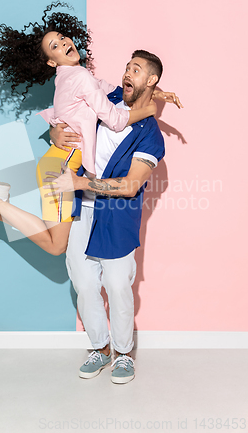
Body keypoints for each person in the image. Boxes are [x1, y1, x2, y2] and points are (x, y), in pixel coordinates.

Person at [0, 4, 181, 255]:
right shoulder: (81, 78)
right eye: (55, 46)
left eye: (62, 38)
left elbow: (109, 90)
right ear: (51, 61)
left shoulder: (70, 77)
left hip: (57, 162)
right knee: (56, 246)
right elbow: (115, 119)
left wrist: (156, 92)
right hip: (62, 165)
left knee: (54, 239)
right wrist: (150, 109)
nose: (63, 43)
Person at [45, 50, 170, 384]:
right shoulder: (107, 98)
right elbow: (67, 114)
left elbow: (130, 186)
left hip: (116, 215)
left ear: (151, 80)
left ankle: (123, 353)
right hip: (80, 211)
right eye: (128, 67)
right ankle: (99, 347)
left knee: (117, 286)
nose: (128, 73)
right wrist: (55, 132)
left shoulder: (150, 135)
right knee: (84, 284)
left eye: (137, 70)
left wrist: (81, 182)